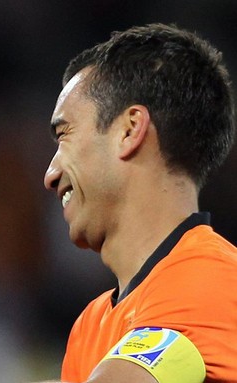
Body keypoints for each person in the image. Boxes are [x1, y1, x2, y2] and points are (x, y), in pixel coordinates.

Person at [41, 24, 237, 382]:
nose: (50, 174)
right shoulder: (90, 326)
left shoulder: (213, 280)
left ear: (130, 130)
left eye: (64, 134)